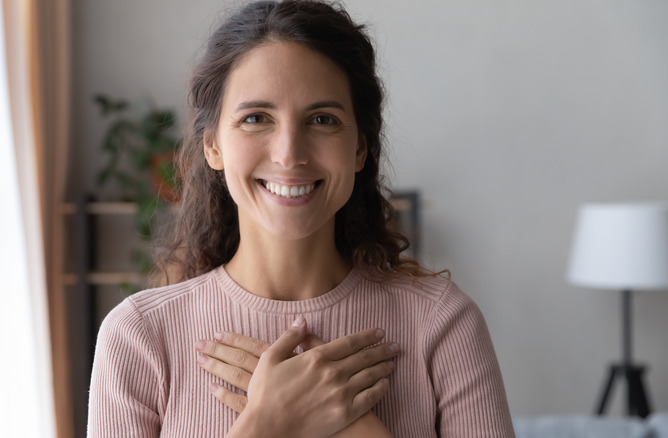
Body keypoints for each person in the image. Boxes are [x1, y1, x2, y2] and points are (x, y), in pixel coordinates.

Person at [87, 1, 515, 437]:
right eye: (256, 118)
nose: (289, 153)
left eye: (322, 119)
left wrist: (354, 424)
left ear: (360, 148)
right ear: (213, 145)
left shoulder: (442, 323)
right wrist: (266, 424)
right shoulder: (140, 335)